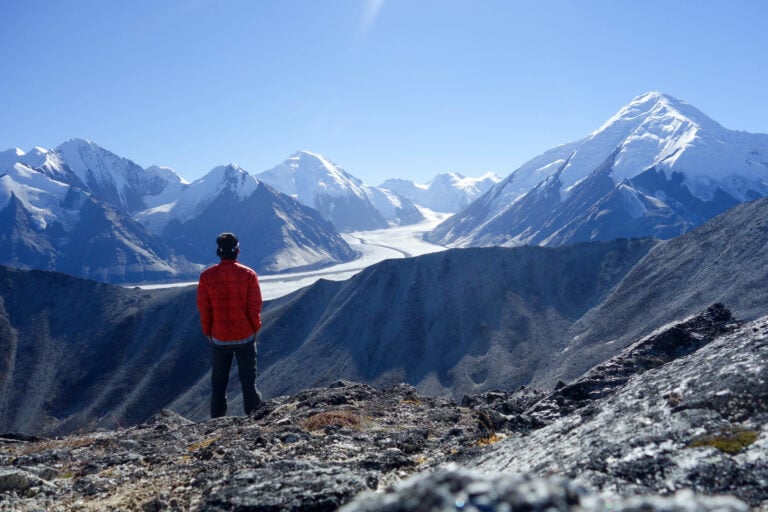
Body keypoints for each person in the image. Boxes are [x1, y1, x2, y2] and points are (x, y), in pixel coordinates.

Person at [196, 232, 263, 418]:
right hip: (245, 337)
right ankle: (254, 418)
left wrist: (208, 332)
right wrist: (255, 328)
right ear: (238, 251)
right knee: (248, 382)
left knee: (219, 384)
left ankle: (217, 422)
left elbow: (204, 308)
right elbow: (254, 307)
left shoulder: (206, 277)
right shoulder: (249, 275)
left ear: (219, 252)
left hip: (219, 337)